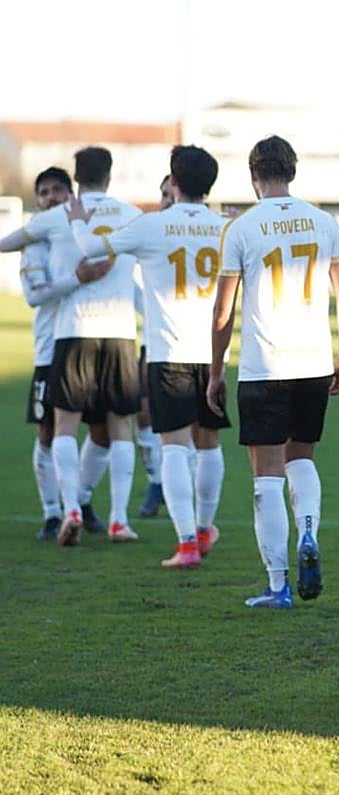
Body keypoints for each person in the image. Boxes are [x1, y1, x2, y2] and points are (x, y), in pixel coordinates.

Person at [210, 135, 339, 608]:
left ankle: (278, 585)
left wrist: (216, 372)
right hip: (313, 364)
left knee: (267, 477)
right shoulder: (324, 222)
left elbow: (222, 312)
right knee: (302, 459)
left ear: (253, 175)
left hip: (264, 367)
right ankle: (308, 533)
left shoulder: (241, 228)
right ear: (292, 171)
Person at [69, 146, 229, 569]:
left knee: (174, 446)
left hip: (168, 352)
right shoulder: (226, 228)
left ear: (173, 181)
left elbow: (91, 247)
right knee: (209, 443)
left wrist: (78, 220)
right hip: (213, 353)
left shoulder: (151, 225)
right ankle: (204, 529)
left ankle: (187, 544)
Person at [0, 146, 142, 545]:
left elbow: (6, 242)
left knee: (63, 425)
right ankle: (117, 519)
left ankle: (72, 508)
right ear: (110, 176)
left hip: (73, 331)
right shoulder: (132, 214)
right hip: (120, 333)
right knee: (119, 426)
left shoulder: (55, 218)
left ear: (75, 180)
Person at [16, 166, 113, 540]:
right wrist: (77, 279)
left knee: (103, 430)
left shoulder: (83, 234)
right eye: (43, 192)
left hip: (92, 341)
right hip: (50, 349)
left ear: (71, 195)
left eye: (58, 190)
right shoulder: (35, 243)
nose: (50, 197)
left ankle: (80, 499)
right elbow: (34, 295)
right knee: (47, 431)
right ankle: (52, 513)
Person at [130, 175, 178, 519]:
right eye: (163, 194)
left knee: (188, 428)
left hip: (191, 348)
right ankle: (155, 482)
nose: (166, 200)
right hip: (152, 344)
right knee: (144, 415)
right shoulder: (149, 233)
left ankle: (186, 497)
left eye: (171, 194)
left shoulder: (204, 233)